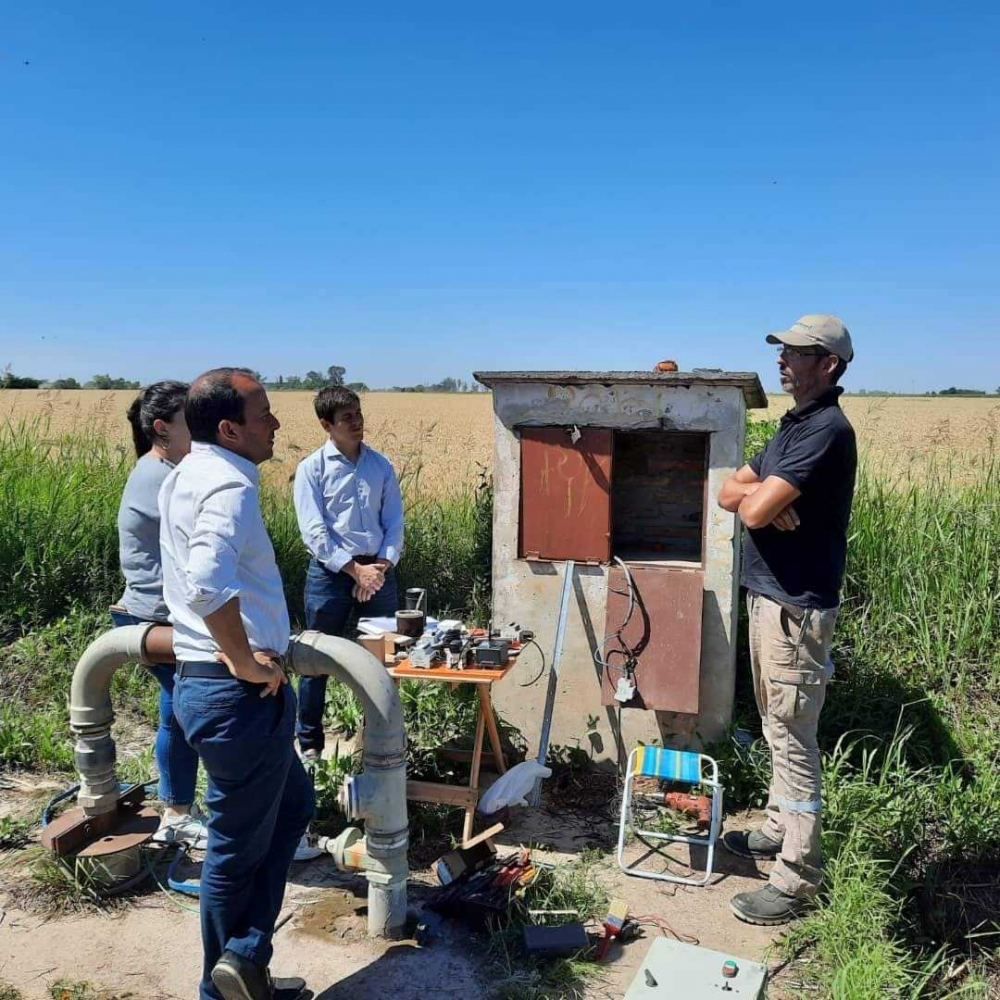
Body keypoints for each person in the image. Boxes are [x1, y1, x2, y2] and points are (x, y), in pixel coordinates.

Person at [160, 368, 312, 1000]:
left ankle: (243, 967)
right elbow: (205, 581)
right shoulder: (227, 483)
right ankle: (229, 976)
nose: (275, 424)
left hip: (207, 690)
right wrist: (247, 662)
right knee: (233, 849)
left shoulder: (184, 475)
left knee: (294, 806)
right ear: (229, 428)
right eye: (265, 414)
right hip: (240, 697)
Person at [717, 314, 857, 926]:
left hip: (795, 608)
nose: (782, 360)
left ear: (828, 365)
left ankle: (798, 877)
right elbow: (729, 493)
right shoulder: (792, 428)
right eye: (782, 350)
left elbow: (749, 508)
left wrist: (761, 505)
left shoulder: (826, 429)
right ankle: (778, 826)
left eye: (797, 352)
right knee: (776, 725)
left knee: (793, 736)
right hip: (769, 598)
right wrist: (762, 504)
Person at [112, 381, 207, 849]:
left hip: (165, 612)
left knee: (179, 712)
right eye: (191, 421)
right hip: (155, 616)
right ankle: (175, 814)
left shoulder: (169, 467)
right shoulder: (159, 477)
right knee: (180, 713)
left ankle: (179, 808)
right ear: (161, 429)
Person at [292, 385, 404, 759]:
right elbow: (314, 531)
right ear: (327, 424)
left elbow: (394, 523)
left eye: (358, 414)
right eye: (347, 418)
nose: (357, 423)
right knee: (314, 661)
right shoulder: (311, 470)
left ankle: (377, 740)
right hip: (330, 575)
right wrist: (354, 571)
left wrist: (379, 568)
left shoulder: (381, 465)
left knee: (382, 660)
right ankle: (309, 746)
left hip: (378, 571)